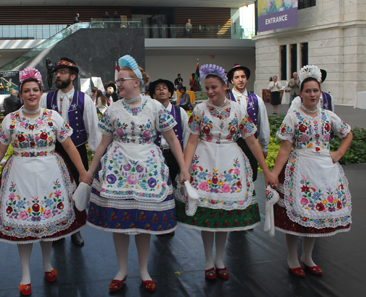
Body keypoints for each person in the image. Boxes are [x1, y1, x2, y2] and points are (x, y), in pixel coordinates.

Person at [0, 68, 90, 296]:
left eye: (35, 90)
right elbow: (0, 150)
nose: (31, 94)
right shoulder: (10, 120)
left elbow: (69, 145)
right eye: (26, 91)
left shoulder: (53, 117)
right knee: (24, 225)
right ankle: (25, 275)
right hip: (19, 176)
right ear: (20, 94)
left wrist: (82, 171)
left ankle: (47, 264)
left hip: (50, 174)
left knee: (47, 223)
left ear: (41, 92)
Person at [87, 55, 189, 292]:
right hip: (118, 169)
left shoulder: (154, 107)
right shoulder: (113, 109)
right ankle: (122, 269)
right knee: (120, 221)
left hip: (148, 169)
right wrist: (90, 171)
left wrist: (184, 168)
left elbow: (173, 139)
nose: (118, 84)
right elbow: (103, 144)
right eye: (117, 80)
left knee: (144, 221)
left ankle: (143, 270)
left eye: (122, 80)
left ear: (137, 82)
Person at [175, 64, 277, 280]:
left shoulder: (238, 110)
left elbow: (252, 140)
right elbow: (192, 142)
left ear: (224, 86)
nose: (210, 92)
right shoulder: (200, 110)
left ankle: (219, 259)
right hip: (205, 161)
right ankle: (208, 261)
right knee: (206, 214)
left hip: (230, 162)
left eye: (214, 87)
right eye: (207, 88)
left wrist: (267, 171)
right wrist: (185, 169)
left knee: (224, 214)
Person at [271, 65, 353, 277]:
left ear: (320, 92)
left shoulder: (328, 116)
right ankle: (292, 257)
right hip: (300, 169)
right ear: (301, 94)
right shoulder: (293, 117)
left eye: (315, 90)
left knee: (316, 213)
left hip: (323, 171)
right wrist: (273, 174)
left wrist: (339, 153)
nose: (312, 94)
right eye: (308, 91)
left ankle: (307, 256)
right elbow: (285, 148)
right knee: (295, 216)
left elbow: (348, 133)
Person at [40, 57, 101, 247]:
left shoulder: (85, 100)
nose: (58, 75)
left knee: (77, 189)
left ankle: (76, 229)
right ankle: (58, 228)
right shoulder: (46, 98)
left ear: (73, 76)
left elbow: (93, 129)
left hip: (78, 150)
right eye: (57, 72)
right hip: (53, 152)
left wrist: (96, 160)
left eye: (63, 72)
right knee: (54, 191)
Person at [226, 64, 270, 181]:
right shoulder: (225, 100)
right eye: (237, 77)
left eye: (243, 76)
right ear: (231, 80)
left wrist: (264, 147)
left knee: (251, 178)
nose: (240, 80)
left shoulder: (256, 99)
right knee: (232, 177)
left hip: (251, 144)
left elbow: (263, 124)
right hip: (231, 144)